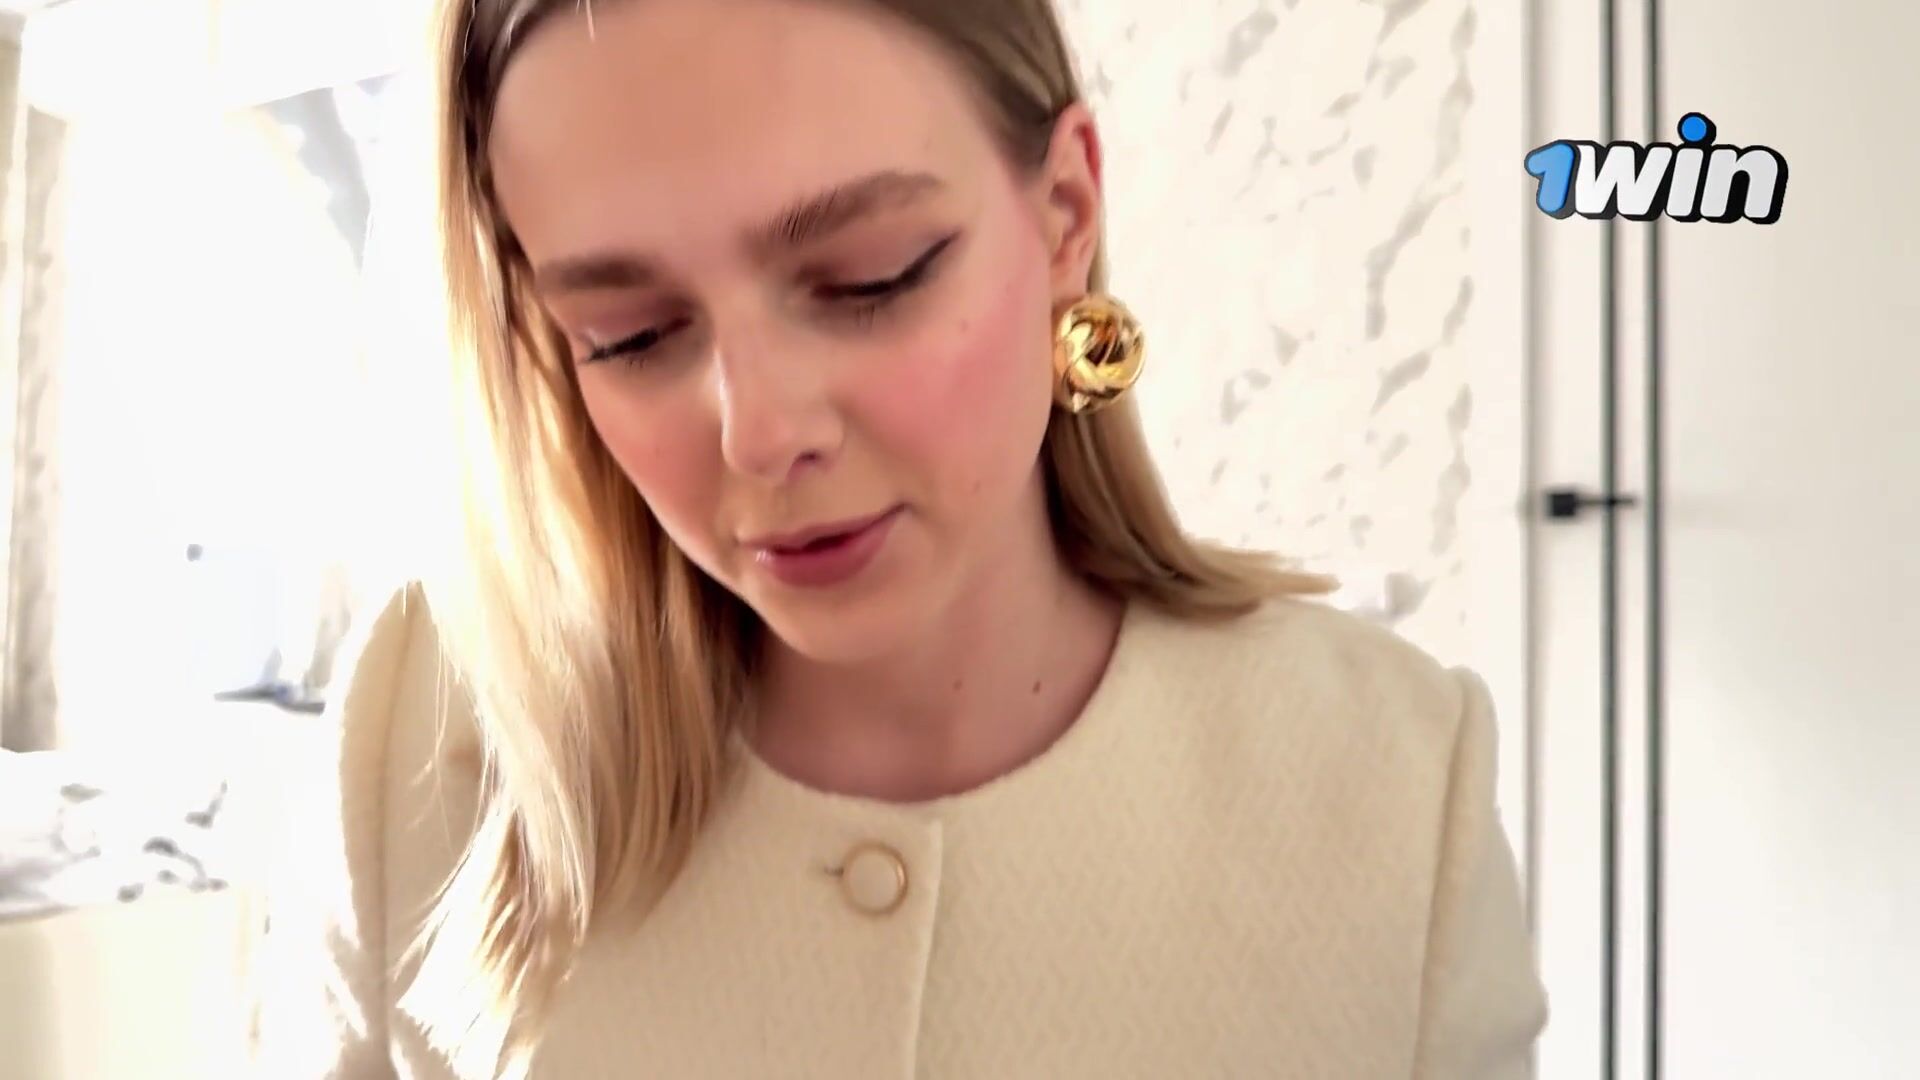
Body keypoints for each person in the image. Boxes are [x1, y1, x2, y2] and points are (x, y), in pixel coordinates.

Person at [251, 0, 1549, 1077]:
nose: (760, 434)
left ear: (1065, 215)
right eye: (630, 336)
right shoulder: (416, 738)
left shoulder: (1390, 793)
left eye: (870, 277)